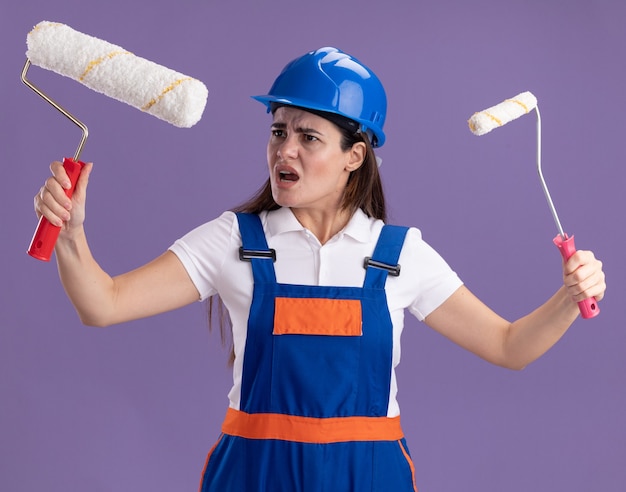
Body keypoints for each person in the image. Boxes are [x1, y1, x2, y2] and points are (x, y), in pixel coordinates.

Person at [34, 47, 606, 492]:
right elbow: (102, 304)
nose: (286, 151)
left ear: (355, 156)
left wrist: (566, 299)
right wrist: (73, 232)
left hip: (368, 477)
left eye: (309, 137)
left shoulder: (398, 255)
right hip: (254, 474)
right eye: (279, 131)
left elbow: (508, 346)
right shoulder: (237, 240)